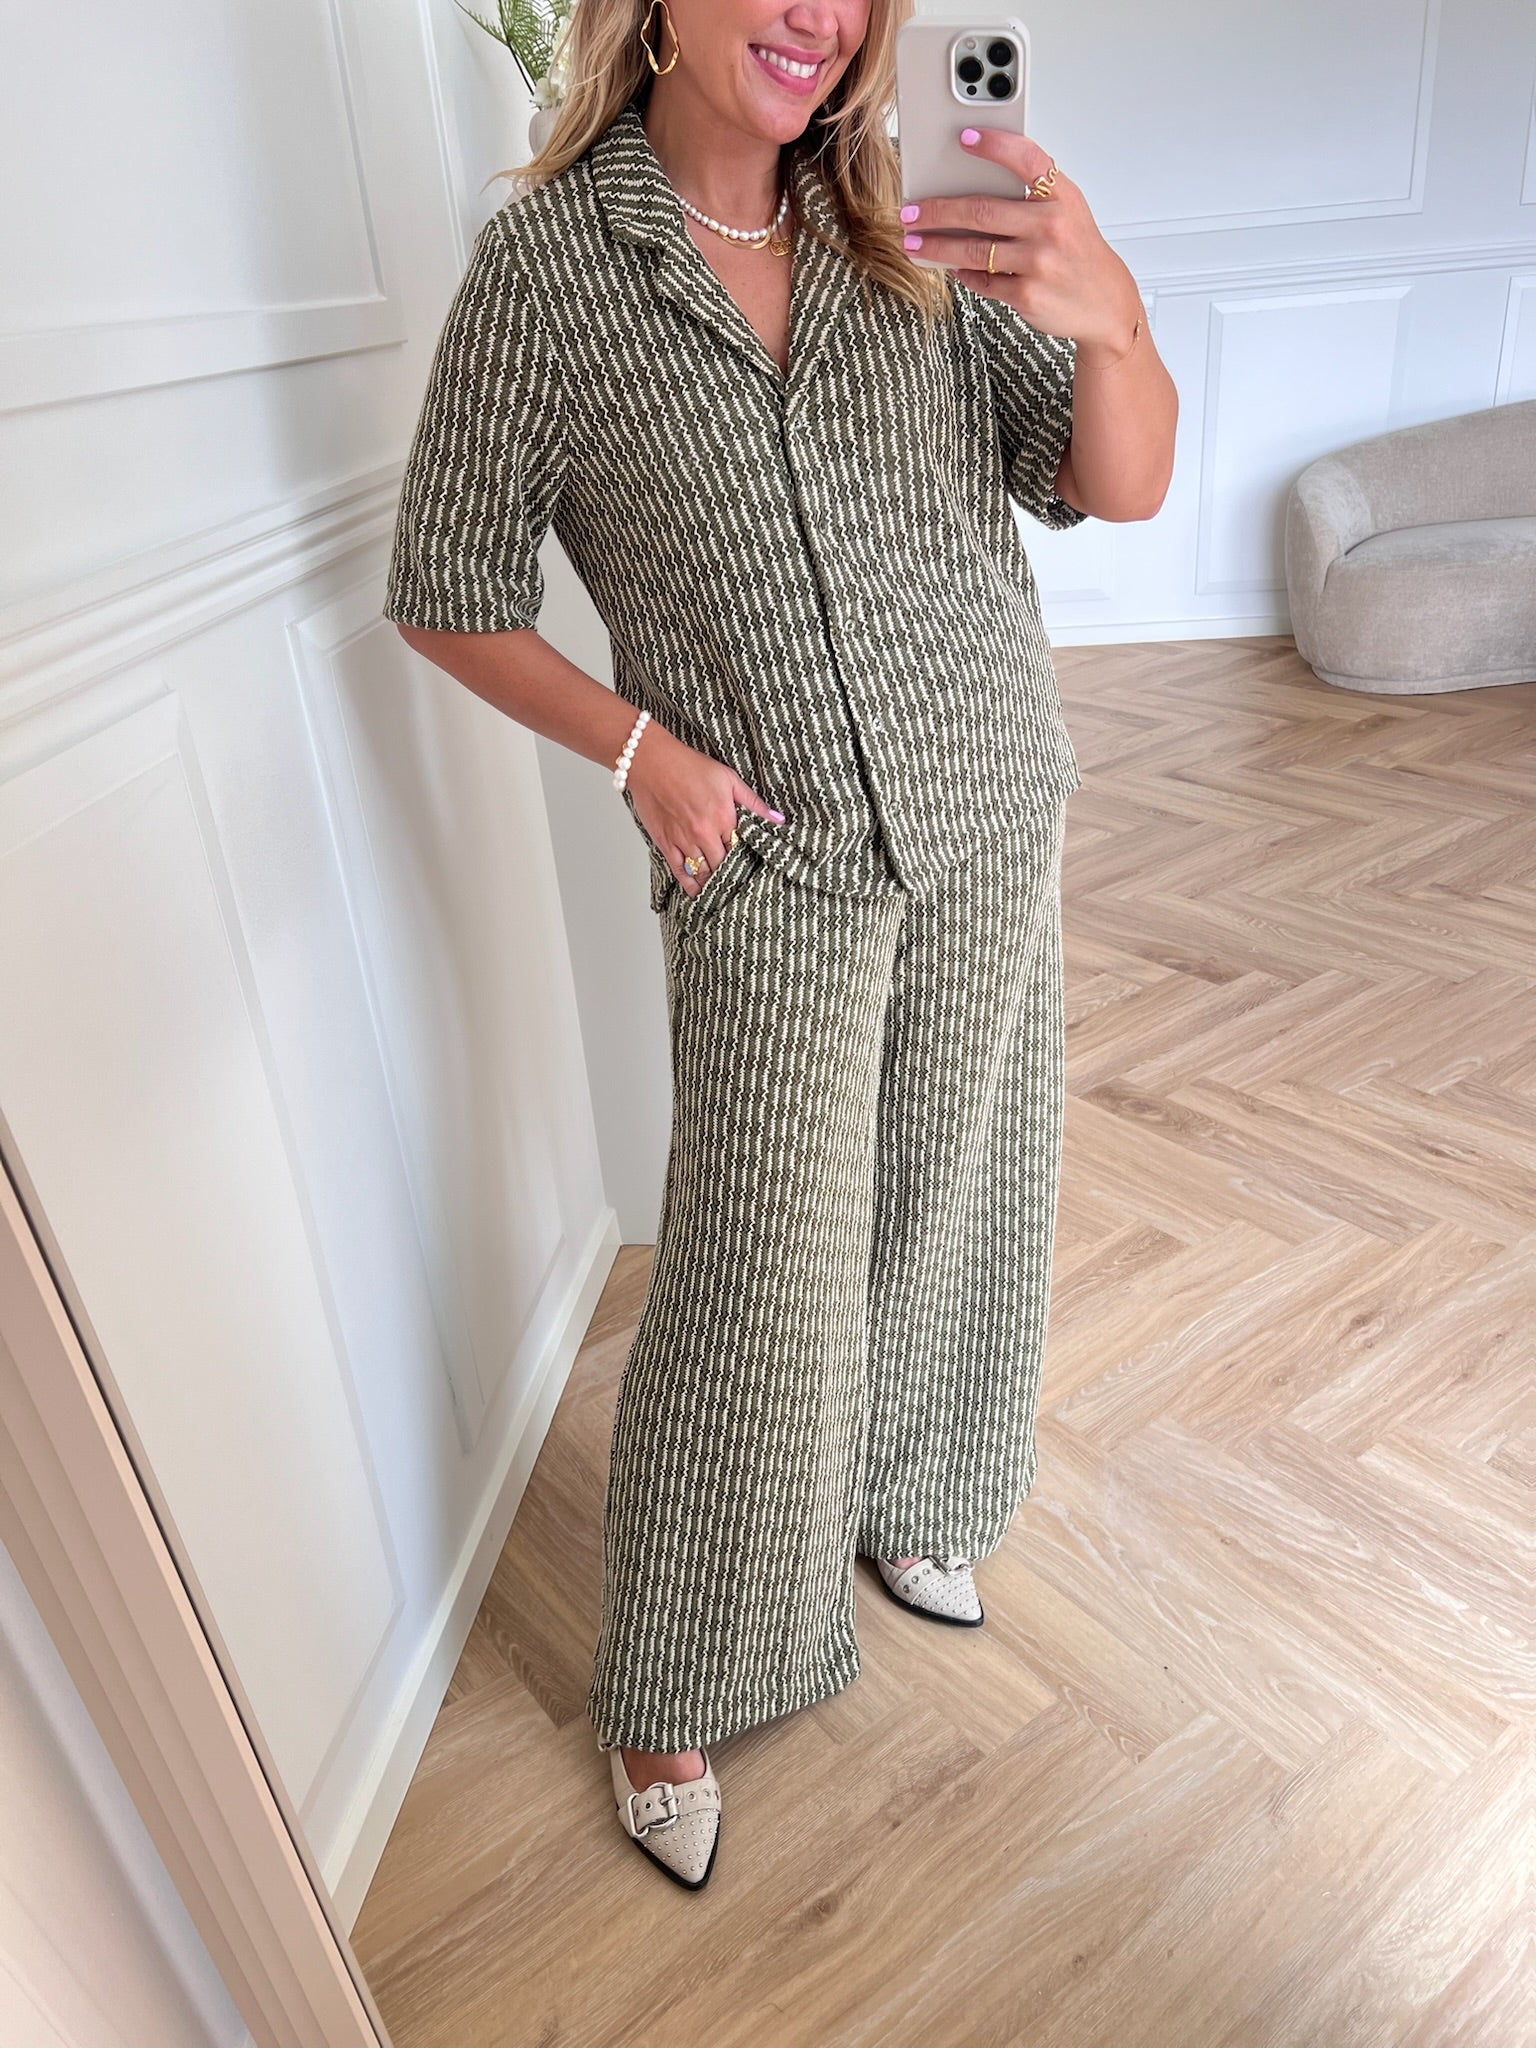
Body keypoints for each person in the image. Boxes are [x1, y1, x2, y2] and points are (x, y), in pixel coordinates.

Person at [385, 0, 1176, 1891]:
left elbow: (1115, 482)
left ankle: (915, 1488)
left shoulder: (914, 229)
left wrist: (1115, 319)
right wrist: (639, 752)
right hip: (773, 860)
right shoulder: (551, 273)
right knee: (754, 1278)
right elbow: (445, 585)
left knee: (960, 1190)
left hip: (987, 802)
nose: (821, 15)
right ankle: (679, 1673)